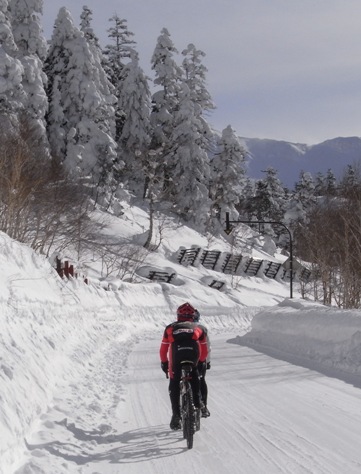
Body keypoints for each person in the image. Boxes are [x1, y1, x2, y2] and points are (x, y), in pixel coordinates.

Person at [160, 302, 208, 430]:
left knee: (174, 381)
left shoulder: (170, 328)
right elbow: (204, 348)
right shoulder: (199, 328)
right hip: (193, 354)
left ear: (178, 315)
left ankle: (176, 415)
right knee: (195, 377)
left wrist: (164, 364)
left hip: (177, 355)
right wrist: (201, 362)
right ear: (193, 316)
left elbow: (163, 349)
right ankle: (198, 404)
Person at [194, 309, 211, 418]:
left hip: (181, 359)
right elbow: (207, 347)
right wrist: (207, 361)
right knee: (201, 380)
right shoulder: (202, 328)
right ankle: (203, 406)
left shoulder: (179, 327)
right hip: (200, 359)